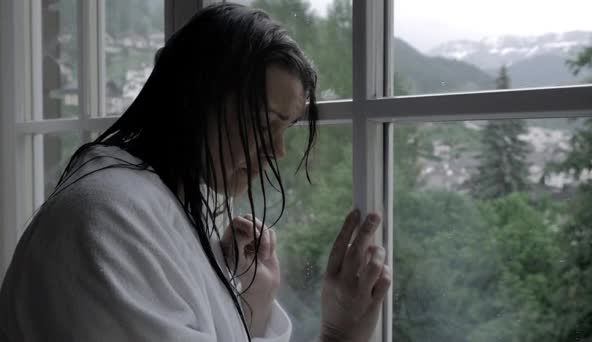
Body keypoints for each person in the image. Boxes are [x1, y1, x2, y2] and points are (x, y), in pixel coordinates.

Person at [0, 3, 391, 341]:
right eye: (265, 121)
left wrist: (248, 308)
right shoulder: (107, 218)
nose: (277, 150)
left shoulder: (155, 206)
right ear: (194, 98)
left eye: (285, 128)